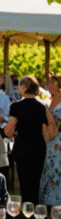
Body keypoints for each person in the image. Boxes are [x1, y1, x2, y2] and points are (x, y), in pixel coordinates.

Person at [5, 75, 57, 205]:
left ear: (24, 87)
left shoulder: (16, 106)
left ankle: (25, 214)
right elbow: (50, 130)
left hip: (22, 148)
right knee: (35, 184)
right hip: (38, 149)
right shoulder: (42, 107)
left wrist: (14, 132)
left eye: (20, 86)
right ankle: (34, 213)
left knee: (23, 185)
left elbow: (8, 131)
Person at [39, 74, 61, 204]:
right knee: (46, 171)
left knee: (57, 171)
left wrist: (46, 111)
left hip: (58, 143)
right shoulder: (48, 101)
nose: (50, 85)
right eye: (49, 83)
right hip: (46, 143)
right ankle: (46, 205)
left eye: (53, 83)